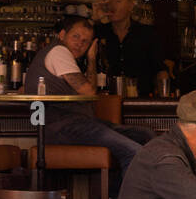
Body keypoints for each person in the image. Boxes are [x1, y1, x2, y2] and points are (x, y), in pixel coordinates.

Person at [23, 14, 154, 182]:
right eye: (75, 37)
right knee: (133, 150)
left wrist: (91, 59)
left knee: (145, 134)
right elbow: (89, 92)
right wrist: (91, 60)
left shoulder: (62, 56)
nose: (80, 43)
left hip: (76, 124)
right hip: (60, 127)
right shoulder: (59, 52)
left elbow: (87, 95)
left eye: (85, 41)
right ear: (62, 35)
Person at [94, 0, 169, 97]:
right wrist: (94, 19)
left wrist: (164, 98)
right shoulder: (98, 32)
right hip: (106, 100)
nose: (112, 6)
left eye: (118, 1)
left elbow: (160, 69)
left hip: (140, 100)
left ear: (130, 6)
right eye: (109, 2)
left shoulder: (147, 33)